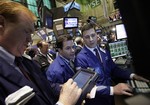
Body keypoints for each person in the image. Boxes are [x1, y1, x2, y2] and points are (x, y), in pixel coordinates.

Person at [0, 1, 82, 105]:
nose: (29, 40)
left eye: (31, 33)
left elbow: (45, 88)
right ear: (1, 23)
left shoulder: (25, 62)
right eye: (26, 31)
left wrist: (66, 89)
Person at [75, 23, 149, 105]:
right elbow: (85, 87)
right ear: (83, 39)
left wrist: (132, 75)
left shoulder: (103, 51)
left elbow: (114, 69)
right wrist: (112, 90)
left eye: (93, 35)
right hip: (96, 101)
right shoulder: (80, 58)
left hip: (110, 98)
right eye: (87, 37)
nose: (91, 39)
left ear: (97, 35)